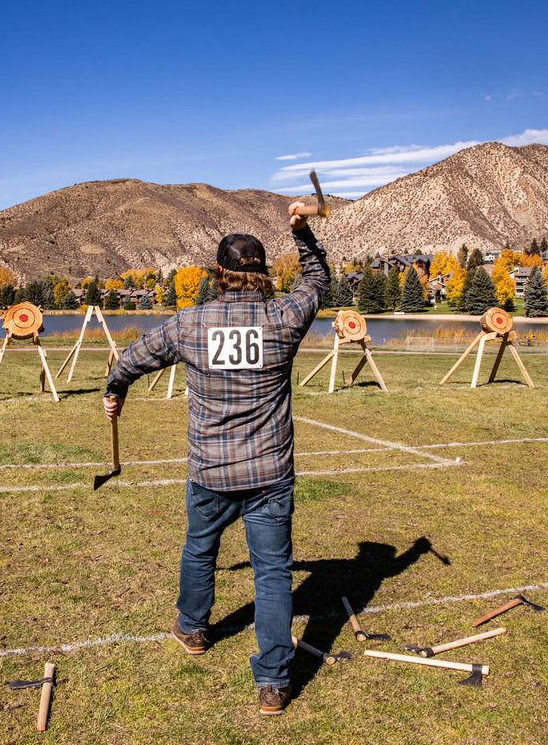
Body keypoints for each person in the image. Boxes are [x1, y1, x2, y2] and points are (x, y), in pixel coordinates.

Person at [102, 201, 329, 715]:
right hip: (270, 473)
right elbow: (317, 279)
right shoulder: (283, 318)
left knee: (200, 549)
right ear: (263, 275)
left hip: (210, 471)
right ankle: (272, 681)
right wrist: (302, 231)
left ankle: (193, 628)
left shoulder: (191, 324)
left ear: (219, 275)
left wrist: (114, 388)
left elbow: (134, 358)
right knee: (272, 573)